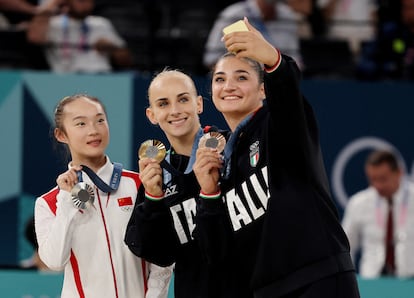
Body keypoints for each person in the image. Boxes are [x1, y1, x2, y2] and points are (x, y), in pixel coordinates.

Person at [193, 17, 360, 297]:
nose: (229, 85)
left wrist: (271, 58)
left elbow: (287, 92)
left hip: (318, 279)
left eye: (242, 77)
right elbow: (217, 254)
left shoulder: (278, 123)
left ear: (262, 89)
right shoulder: (221, 159)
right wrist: (209, 193)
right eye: (220, 79)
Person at [34, 94, 172, 297]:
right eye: (80, 123)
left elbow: (162, 254)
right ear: (61, 135)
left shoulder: (139, 184)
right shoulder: (49, 203)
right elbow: (55, 261)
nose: (93, 130)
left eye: (100, 120)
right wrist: (66, 200)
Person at [125, 69, 227, 298]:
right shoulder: (157, 175)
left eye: (183, 99)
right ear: (152, 115)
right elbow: (159, 254)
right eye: (163, 104)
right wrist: (152, 198)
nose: (174, 111)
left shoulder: (227, 149)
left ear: (199, 104)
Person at [342, 149, 414, 278]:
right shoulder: (358, 203)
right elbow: (346, 247)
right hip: (372, 283)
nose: (378, 185)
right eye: (372, 179)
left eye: (383, 179)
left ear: (399, 173)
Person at [26, 0, 133, 73]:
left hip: (101, 76)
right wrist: (54, 4)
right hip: (65, 78)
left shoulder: (101, 23)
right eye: (80, 0)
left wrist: (112, 48)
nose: (85, 4)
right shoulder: (54, 24)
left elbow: (126, 61)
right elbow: (34, 37)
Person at [203, 0, 313, 70]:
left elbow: (295, 59)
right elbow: (211, 59)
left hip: (279, 81)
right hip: (243, 80)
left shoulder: (288, 16)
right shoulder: (231, 15)